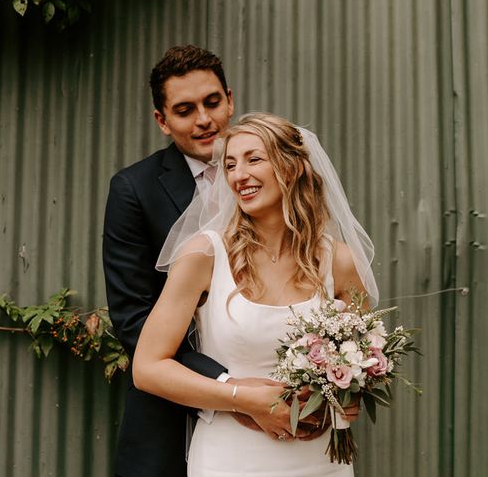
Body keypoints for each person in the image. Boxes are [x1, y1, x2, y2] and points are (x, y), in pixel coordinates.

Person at [132, 113, 379, 476]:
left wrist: (348, 396)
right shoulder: (205, 255)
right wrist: (242, 398)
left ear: (292, 168)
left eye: (253, 159)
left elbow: (367, 358)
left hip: (317, 459)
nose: (238, 175)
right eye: (230, 164)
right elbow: (148, 368)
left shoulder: (338, 260)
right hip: (232, 456)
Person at [103, 45, 240, 477]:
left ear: (230, 99)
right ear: (162, 120)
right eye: (185, 110)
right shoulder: (134, 189)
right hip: (169, 408)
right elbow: (132, 318)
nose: (204, 119)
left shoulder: (271, 174)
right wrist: (226, 384)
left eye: (212, 102)